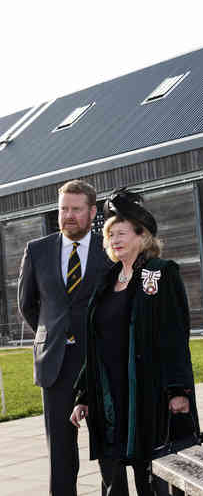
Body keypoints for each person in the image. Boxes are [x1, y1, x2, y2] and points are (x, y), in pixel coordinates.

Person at [69, 189, 200, 495]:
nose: (114, 239)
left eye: (122, 233)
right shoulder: (106, 280)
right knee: (112, 473)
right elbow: (95, 344)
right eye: (110, 233)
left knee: (152, 473)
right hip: (109, 395)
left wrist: (178, 390)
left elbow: (175, 336)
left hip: (147, 391)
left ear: (143, 236)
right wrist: (83, 395)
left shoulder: (159, 273)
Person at [18, 180, 110, 496]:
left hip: (99, 362)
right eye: (63, 209)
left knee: (108, 445)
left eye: (76, 209)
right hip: (54, 363)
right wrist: (54, 333)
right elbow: (27, 304)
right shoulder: (37, 250)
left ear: (92, 211)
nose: (68, 216)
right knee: (60, 451)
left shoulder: (109, 248)